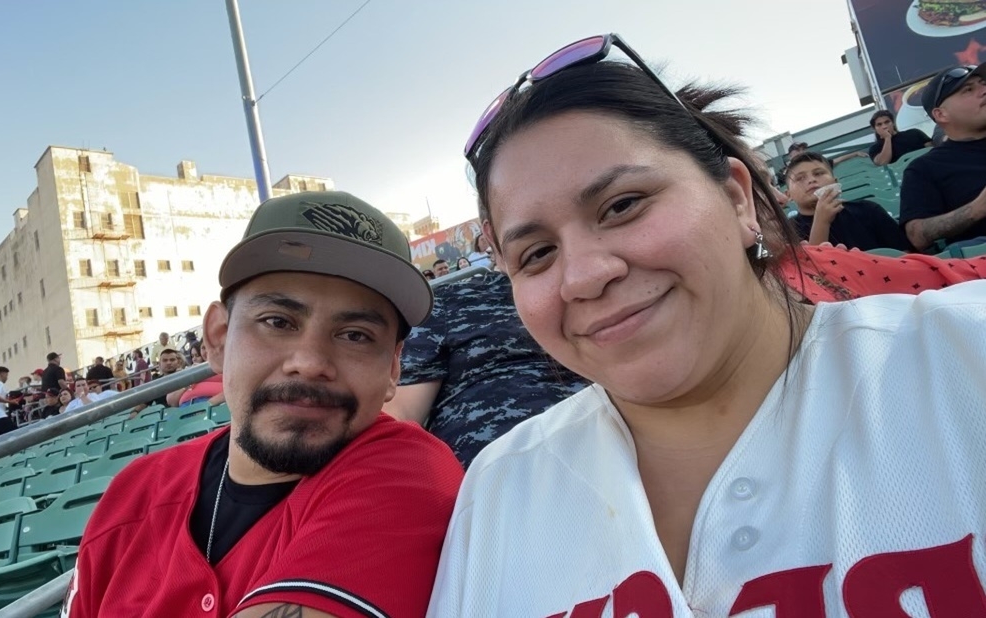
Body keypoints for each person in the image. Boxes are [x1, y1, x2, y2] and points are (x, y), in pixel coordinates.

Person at [427, 34, 986, 616]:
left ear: (738, 198)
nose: (584, 277)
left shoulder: (965, 356)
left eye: (622, 205)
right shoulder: (500, 491)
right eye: (537, 254)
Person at [64, 191, 463, 618]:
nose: (310, 363)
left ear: (393, 369)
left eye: (355, 335)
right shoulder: (133, 493)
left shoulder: (411, 470)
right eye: (278, 322)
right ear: (218, 338)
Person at [386, 268, 589, 468]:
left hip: (594, 442)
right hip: (496, 470)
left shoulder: (581, 286)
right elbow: (400, 414)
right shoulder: (451, 299)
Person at [900, 63, 986, 252]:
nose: (984, 90)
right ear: (941, 114)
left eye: (983, 84)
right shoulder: (924, 168)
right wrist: (976, 209)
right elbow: (916, 234)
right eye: (968, 89)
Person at [784, 152, 910, 250]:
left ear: (835, 181)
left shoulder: (868, 210)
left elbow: (904, 253)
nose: (811, 180)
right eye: (800, 178)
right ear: (788, 195)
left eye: (818, 173)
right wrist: (821, 221)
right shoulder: (785, 232)